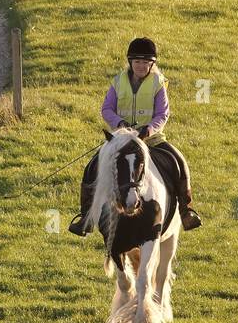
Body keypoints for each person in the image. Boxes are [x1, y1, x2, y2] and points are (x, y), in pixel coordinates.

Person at [69, 37, 202, 236]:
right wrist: (119, 124)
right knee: (91, 167)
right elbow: (106, 109)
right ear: (130, 62)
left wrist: (148, 130)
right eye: (137, 62)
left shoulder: (158, 83)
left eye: (146, 62)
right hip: (121, 140)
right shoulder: (118, 81)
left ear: (152, 64)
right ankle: (85, 217)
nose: (141, 66)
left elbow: (162, 114)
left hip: (151, 139)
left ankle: (186, 211)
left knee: (179, 163)